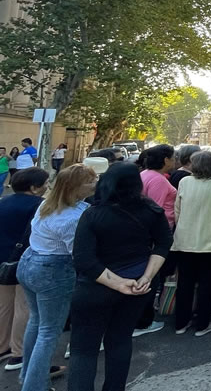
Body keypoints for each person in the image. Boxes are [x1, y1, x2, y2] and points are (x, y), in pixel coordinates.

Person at [68, 162, 172, 391]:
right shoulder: (152, 211)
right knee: (120, 340)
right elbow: (164, 243)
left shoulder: (92, 214)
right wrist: (146, 276)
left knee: (83, 350)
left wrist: (117, 283)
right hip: (138, 286)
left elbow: (83, 259)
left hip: (95, 288)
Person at [17, 165, 96, 391]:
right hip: (53, 270)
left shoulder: (47, 204)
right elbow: (77, 253)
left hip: (29, 262)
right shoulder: (74, 217)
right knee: (49, 332)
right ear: (75, 187)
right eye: (90, 181)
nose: (95, 183)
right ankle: (34, 386)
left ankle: (29, 376)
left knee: (37, 322)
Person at [171, 151, 211, 337]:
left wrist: (182, 228)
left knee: (184, 284)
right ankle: (202, 325)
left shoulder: (185, 182)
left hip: (184, 240)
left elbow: (177, 210)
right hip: (210, 241)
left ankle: (181, 323)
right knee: (207, 284)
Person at [0, 168, 47, 372]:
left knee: (4, 306)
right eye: (45, 183)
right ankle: (18, 352)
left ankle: (2, 346)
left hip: (2, 262)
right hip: (25, 261)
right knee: (24, 307)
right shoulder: (40, 206)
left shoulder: (3, 202)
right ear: (34, 187)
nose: (47, 186)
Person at [133, 145, 177, 337]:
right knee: (151, 276)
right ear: (165, 160)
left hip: (146, 234)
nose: (175, 161)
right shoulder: (158, 180)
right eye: (173, 158)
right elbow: (155, 209)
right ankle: (143, 321)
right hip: (155, 235)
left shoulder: (145, 174)